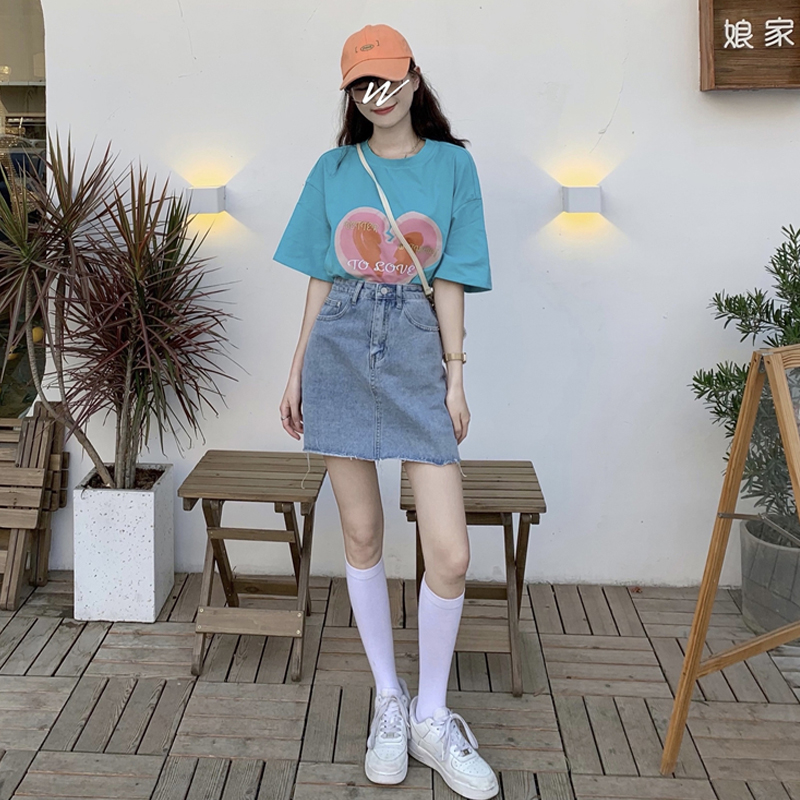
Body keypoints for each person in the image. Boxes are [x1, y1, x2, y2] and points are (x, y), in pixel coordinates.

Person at [273, 23, 497, 800]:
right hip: (338, 346)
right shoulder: (334, 169)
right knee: (363, 533)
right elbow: (319, 277)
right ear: (351, 93)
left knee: (450, 554)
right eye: (362, 84)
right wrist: (296, 371)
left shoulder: (453, 166)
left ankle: (432, 714)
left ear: (413, 76)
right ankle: (391, 701)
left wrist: (455, 377)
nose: (378, 94)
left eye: (389, 78)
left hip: (413, 347)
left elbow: (452, 278)